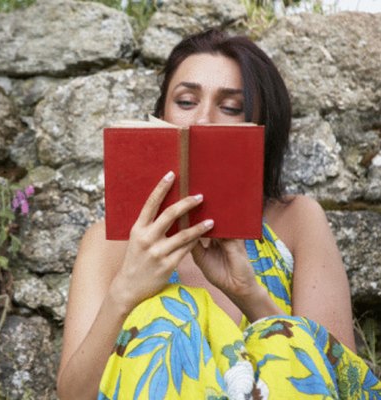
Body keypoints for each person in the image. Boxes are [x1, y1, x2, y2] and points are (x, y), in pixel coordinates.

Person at [56, 29, 381, 400]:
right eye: (186, 101)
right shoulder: (109, 241)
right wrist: (125, 293)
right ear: (161, 114)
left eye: (230, 107)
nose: (204, 120)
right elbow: (73, 395)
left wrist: (249, 294)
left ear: (261, 127)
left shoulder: (297, 221)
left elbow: (339, 381)